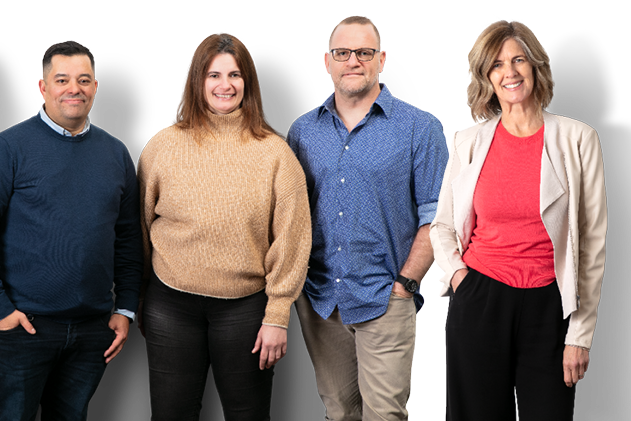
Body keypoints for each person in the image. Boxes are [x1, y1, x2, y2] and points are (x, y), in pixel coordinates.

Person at [0, 40, 142, 421]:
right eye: (62, 79)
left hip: (94, 330)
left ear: (95, 87)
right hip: (23, 327)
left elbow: (127, 237)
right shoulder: (6, 149)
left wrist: (125, 307)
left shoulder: (116, 153)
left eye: (84, 79)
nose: (74, 88)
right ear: (43, 87)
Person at [433, 18, 604, 421]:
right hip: (480, 298)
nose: (509, 72)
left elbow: (592, 244)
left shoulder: (578, 139)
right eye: (496, 65)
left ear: (535, 66)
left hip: (550, 304)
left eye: (518, 60)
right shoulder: (468, 141)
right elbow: (442, 226)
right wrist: (461, 277)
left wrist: (580, 335)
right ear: (486, 77)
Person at [137, 32, 311, 420]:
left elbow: (293, 239)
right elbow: (139, 226)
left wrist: (277, 315)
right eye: (213, 75)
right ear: (197, 82)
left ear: (247, 82)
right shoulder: (162, 146)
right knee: (170, 413)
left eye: (234, 74)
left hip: (246, 307)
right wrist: (139, 296)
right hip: (170, 304)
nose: (224, 85)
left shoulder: (274, 153)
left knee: (246, 414)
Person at [285, 16, 448, 421]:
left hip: (385, 298)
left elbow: (437, 216)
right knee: (339, 412)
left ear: (382, 60)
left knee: (384, 415)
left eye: (364, 52)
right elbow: (290, 214)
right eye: (343, 53)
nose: (352, 61)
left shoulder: (419, 129)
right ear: (328, 61)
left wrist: (406, 284)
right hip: (322, 300)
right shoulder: (303, 131)